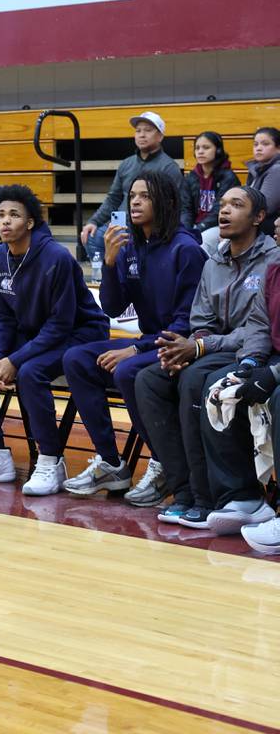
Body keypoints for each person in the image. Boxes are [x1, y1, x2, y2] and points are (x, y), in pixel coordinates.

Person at [136, 186, 278, 527]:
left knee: (195, 379)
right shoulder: (213, 259)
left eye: (237, 205)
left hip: (254, 353)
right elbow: (201, 320)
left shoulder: (272, 260)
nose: (224, 211)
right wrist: (190, 348)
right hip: (215, 348)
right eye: (223, 204)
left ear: (259, 218)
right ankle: (182, 490)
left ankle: (209, 496)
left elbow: (260, 328)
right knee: (149, 379)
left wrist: (200, 349)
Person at [63, 174, 205, 499]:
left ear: (167, 202)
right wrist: (111, 264)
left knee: (128, 370)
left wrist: (136, 348)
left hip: (179, 347)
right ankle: (111, 463)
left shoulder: (187, 250)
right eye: (132, 196)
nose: (135, 202)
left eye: (145, 196)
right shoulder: (131, 247)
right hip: (148, 343)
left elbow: (188, 322)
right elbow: (113, 307)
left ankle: (164, 464)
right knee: (77, 359)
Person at [0, 186, 109, 493]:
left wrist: (14, 359)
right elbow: (3, 319)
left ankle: (51, 460)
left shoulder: (56, 258)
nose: (5, 221)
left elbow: (60, 325)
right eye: (0, 215)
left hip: (80, 332)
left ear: (31, 222)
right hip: (35, 333)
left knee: (29, 372)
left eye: (14, 215)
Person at [200, 215, 280, 551]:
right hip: (270, 358)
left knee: (279, 401)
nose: (277, 227)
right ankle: (243, 496)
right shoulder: (275, 271)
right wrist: (249, 364)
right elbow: (260, 325)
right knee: (221, 388)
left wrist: (273, 375)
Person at [81, 110, 183, 260]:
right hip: (121, 223)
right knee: (92, 236)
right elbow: (113, 198)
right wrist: (94, 221)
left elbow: (176, 205)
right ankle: (108, 278)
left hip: (149, 226)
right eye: (138, 131)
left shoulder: (169, 167)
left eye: (148, 130)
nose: (142, 135)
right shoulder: (126, 164)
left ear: (160, 136)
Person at [181, 131, 240, 253]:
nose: (200, 151)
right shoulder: (191, 177)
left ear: (218, 151)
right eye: (197, 148)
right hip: (195, 227)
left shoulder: (228, 177)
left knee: (200, 245)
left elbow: (219, 209)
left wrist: (198, 228)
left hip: (220, 225)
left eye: (206, 147)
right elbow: (185, 208)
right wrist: (186, 230)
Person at [246, 127, 280, 234]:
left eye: (265, 144)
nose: (258, 148)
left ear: (278, 148)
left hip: (269, 227)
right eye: (256, 144)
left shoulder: (277, 169)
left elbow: (266, 207)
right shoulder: (256, 168)